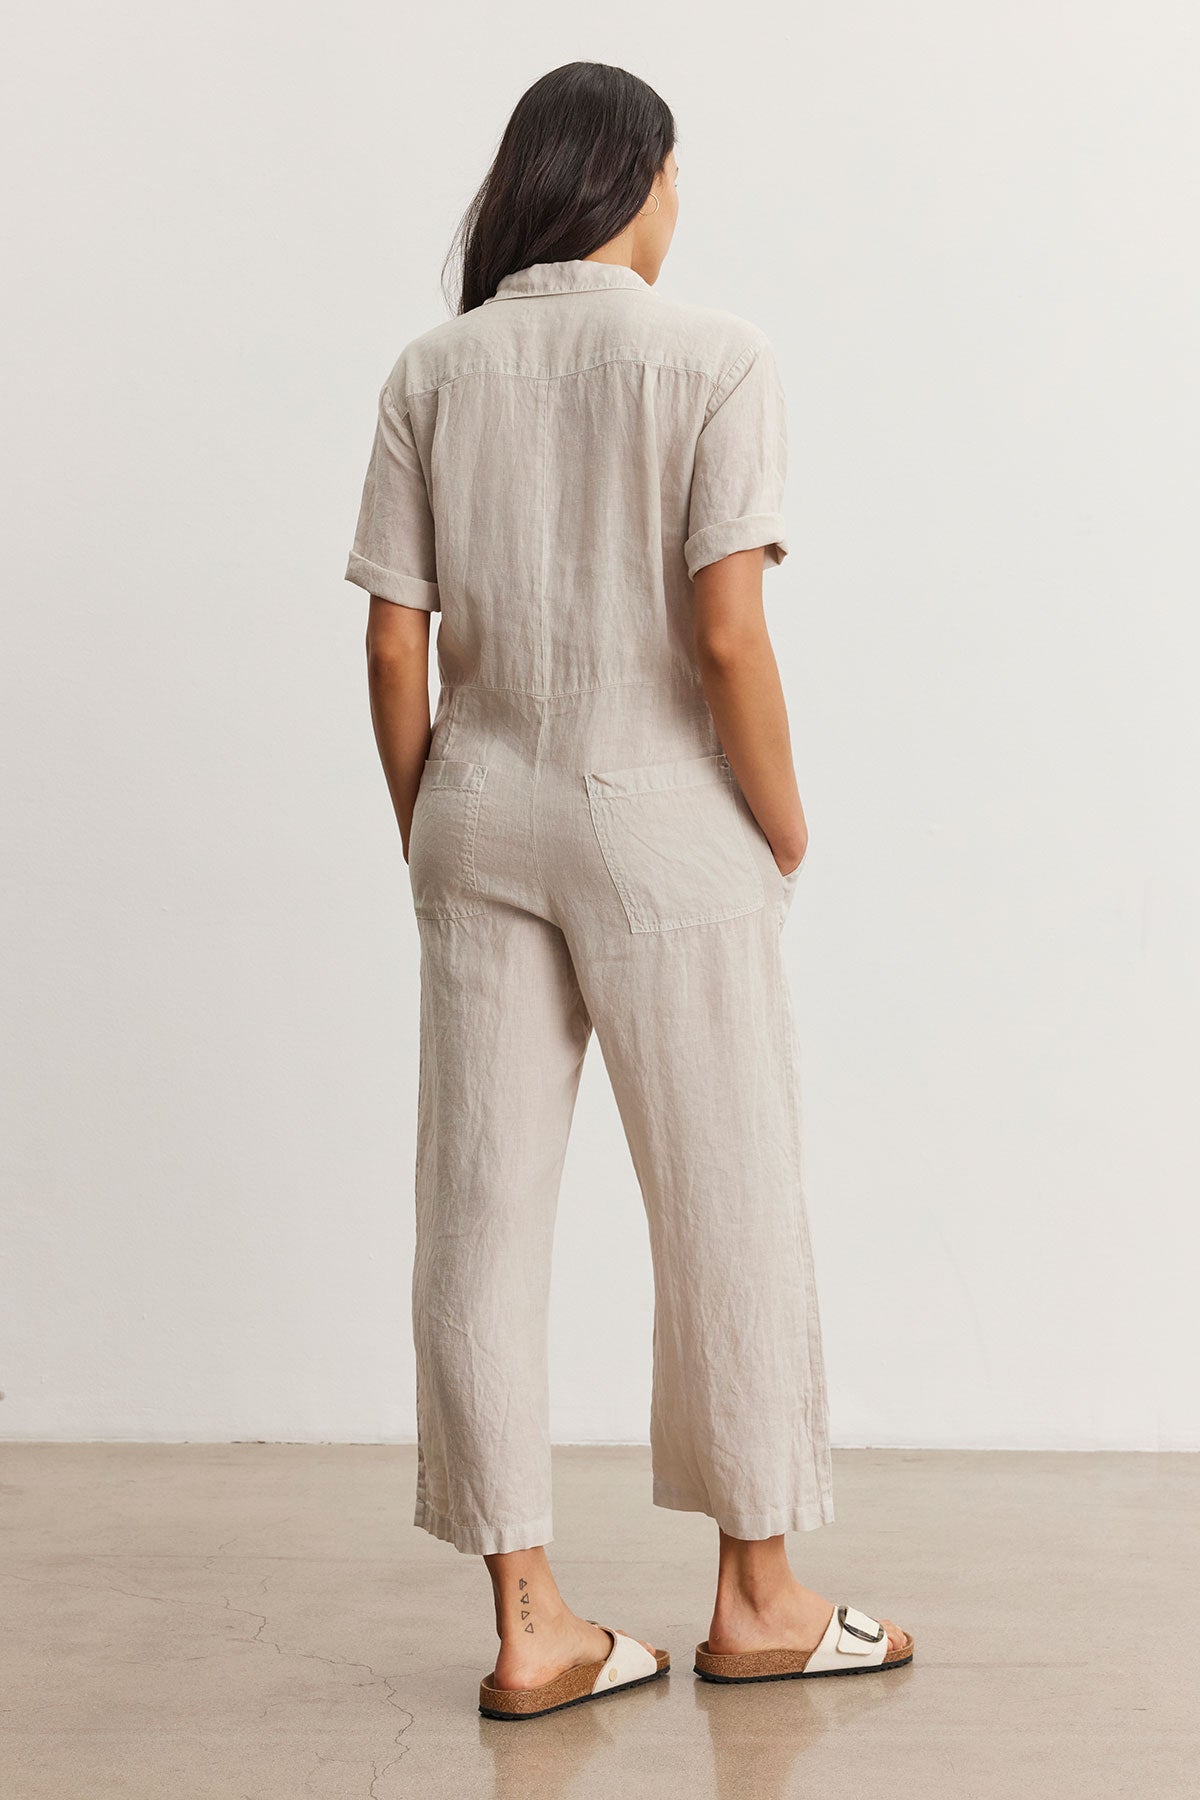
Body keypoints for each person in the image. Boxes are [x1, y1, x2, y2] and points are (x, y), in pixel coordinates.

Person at [344, 60, 912, 1722]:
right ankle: (758, 1596)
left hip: (481, 812)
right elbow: (727, 631)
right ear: (640, 180)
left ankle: (532, 1623)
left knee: (479, 1218)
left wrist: (429, 818)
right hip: (667, 815)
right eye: (679, 177)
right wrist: (785, 824)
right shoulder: (715, 358)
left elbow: (395, 639)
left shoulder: (431, 369)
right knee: (726, 1194)